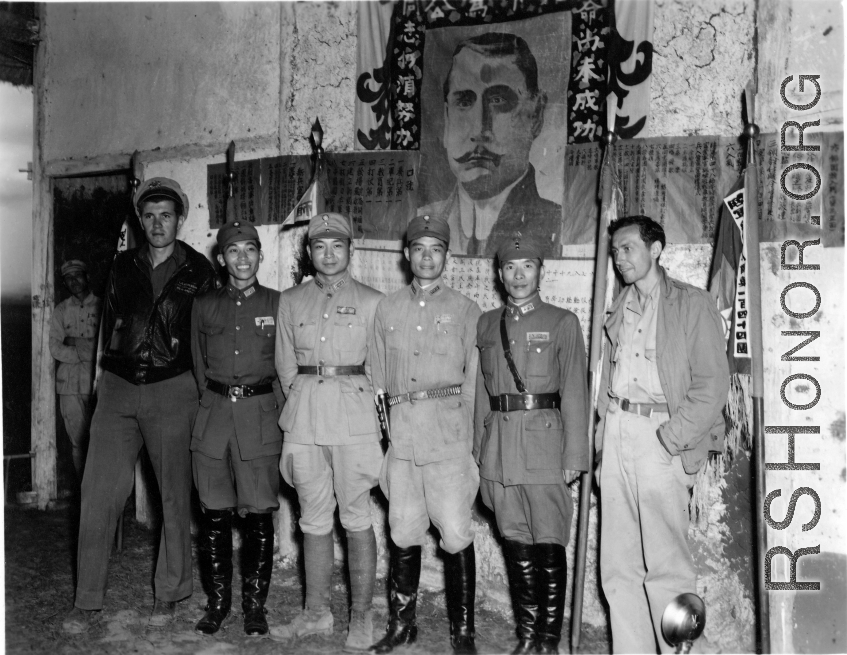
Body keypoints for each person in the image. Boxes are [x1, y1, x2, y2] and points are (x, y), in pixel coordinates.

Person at [62, 177, 218, 634]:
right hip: (118, 385)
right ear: (140, 220)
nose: (156, 224)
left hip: (174, 388)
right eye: (148, 216)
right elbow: (108, 324)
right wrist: (99, 382)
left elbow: (206, 335)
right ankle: (87, 599)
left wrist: (204, 392)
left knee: (172, 494)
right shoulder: (122, 265)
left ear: (179, 218)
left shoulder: (198, 271)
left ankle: (170, 593)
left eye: (165, 215)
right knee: (97, 493)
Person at [596, 216, 729, 653]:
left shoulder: (691, 304)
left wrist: (670, 439)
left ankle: (684, 651)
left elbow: (711, 385)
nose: (619, 259)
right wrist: (602, 437)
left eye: (628, 248)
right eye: (615, 251)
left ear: (655, 250)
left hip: (661, 438)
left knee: (667, 568)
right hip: (617, 433)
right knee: (618, 567)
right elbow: (606, 376)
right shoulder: (620, 306)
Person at [270, 213, 384, 652]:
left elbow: (377, 370)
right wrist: (300, 402)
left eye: (337, 246)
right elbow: (284, 366)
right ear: (309, 252)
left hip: (354, 420)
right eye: (320, 246)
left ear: (350, 251)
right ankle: (316, 612)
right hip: (303, 419)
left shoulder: (374, 301)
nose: (329, 254)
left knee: (355, 518)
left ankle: (362, 616)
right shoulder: (290, 300)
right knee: (312, 519)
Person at [369, 214, 482, 655]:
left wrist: (468, 444)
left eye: (436, 249)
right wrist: (387, 436)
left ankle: (463, 633)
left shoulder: (465, 309)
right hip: (403, 439)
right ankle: (402, 626)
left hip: (448, 439)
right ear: (406, 255)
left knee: (455, 533)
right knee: (402, 531)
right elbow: (378, 376)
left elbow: (473, 383)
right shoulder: (388, 308)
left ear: (447, 257)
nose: (427, 257)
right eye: (419, 249)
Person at [474, 234, 588, 654]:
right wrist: (477, 451)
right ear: (499, 274)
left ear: (541, 271)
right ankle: (526, 636)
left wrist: (574, 455)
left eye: (527, 267)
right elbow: (479, 396)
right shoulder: (487, 324)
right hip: (499, 447)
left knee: (548, 540)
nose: (518, 275)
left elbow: (576, 388)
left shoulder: (563, 322)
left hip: (545, 446)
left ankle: (548, 641)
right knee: (515, 541)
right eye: (510, 267)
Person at [190, 221, 282, 637]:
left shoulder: (279, 304)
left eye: (250, 250)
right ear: (221, 258)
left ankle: (254, 607)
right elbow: (196, 365)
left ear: (260, 256)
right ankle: (218, 603)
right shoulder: (204, 305)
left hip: (260, 419)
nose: (242, 258)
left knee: (260, 514)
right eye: (233, 251)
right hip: (213, 420)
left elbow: (285, 369)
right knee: (214, 514)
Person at [418, 32, 561, 258]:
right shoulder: (422, 220)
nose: (478, 131)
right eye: (464, 102)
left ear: (536, 115)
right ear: (446, 118)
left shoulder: (558, 224)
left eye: (498, 101)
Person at [49, 259, 102, 479]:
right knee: (77, 442)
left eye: (77, 275)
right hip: (69, 385)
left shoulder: (103, 306)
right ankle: (84, 490)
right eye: (68, 278)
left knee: (101, 439)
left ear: (87, 277)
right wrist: (88, 351)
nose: (74, 281)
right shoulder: (61, 310)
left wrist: (75, 343)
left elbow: (107, 346)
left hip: (97, 383)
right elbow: (55, 348)